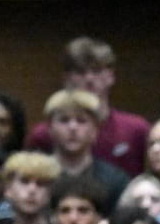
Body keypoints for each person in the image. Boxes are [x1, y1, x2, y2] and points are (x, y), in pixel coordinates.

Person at [26, 36, 151, 176]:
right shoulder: (44, 134)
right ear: (66, 78)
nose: (89, 79)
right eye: (81, 72)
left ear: (111, 76)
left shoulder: (136, 130)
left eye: (97, 71)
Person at [37, 88, 130, 215]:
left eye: (81, 120)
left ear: (95, 130)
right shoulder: (35, 177)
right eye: (64, 120)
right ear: (49, 129)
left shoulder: (115, 180)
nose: (72, 128)